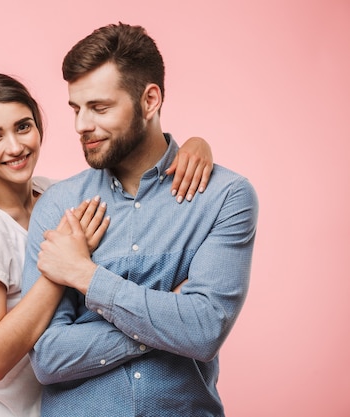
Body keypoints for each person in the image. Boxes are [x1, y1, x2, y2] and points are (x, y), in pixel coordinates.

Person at [0, 73, 214, 417]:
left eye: (23, 127)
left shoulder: (54, 196)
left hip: (69, 402)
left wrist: (194, 147)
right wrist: (61, 269)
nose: (15, 147)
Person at [22, 23, 259, 416]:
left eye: (99, 107)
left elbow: (204, 331)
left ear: (150, 101)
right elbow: (47, 359)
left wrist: (85, 276)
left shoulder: (225, 197)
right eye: (76, 109)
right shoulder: (57, 205)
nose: (81, 125)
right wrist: (169, 319)